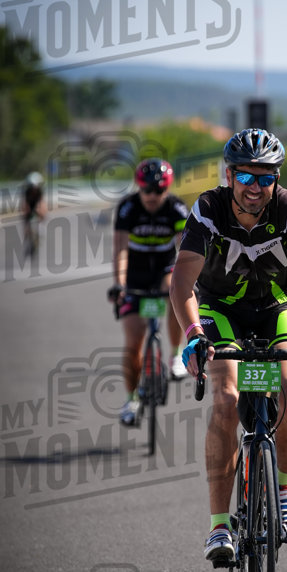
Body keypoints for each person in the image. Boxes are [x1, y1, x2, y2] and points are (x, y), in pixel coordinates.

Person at [170, 128, 287, 565]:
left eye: (265, 178)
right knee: (227, 400)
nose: (255, 187)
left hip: (275, 309)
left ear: (277, 178)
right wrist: (193, 335)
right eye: (246, 177)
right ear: (229, 175)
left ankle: (284, 488)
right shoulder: (208, 209)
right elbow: (181, 282)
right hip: (220, 310)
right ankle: (218, 526)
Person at [108, 157, 190, 426]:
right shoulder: (127, 208)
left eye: (159, 191)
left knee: (177, 292)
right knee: (135, 338)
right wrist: (120, 284)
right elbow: (120, 250)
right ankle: (131, 398)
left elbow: (184, 251)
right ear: (139, 188)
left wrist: (187, 280)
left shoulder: (177, 208)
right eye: (147, 191)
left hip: (166, 269)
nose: (153, 196)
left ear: (167, 189)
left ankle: (176, 353)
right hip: (135, 274)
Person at [22, 172, 46, 253]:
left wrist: (40, 212)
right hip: (30, 204)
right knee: (26, 218)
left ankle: (41, 229)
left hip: (36, 204)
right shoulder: (26, 191)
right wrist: (26, 212)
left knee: (42, 213)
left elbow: (42, 203)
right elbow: (25, 204)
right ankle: (27, 235)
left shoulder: (40, 191)